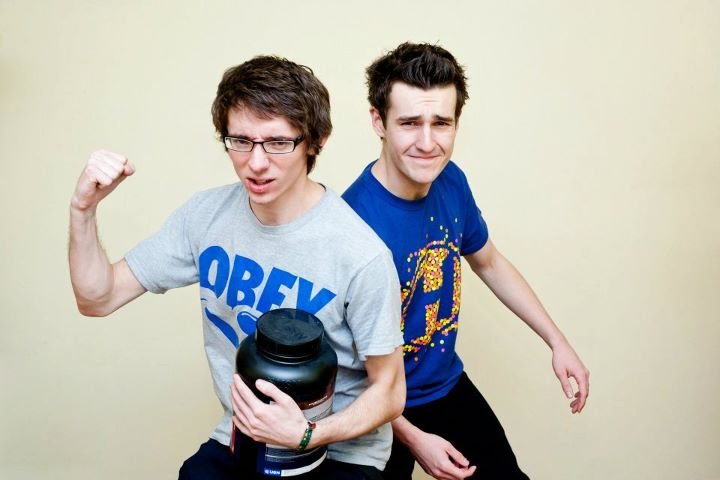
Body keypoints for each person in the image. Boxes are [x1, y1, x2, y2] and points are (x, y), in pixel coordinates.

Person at [68, 55, 405, 479]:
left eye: (278, 142)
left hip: (338, 450)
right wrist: (83, 209)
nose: (256, 162)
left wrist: (306, 434)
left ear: (316, 141)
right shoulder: (206, 217)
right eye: (241, 141)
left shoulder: (360, 254)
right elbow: (97, 299)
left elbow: (391, 392)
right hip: (245, 434)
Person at [342, 42, 591, 480]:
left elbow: (489, 262)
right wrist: (415, 438)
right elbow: (344, 367)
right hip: (376, 406)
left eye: (441, 123)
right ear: (378, 122)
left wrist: (557, 341)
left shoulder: (450, 181)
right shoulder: (353, 226)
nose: (427, 143)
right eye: (409, 123)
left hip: (443, 386)